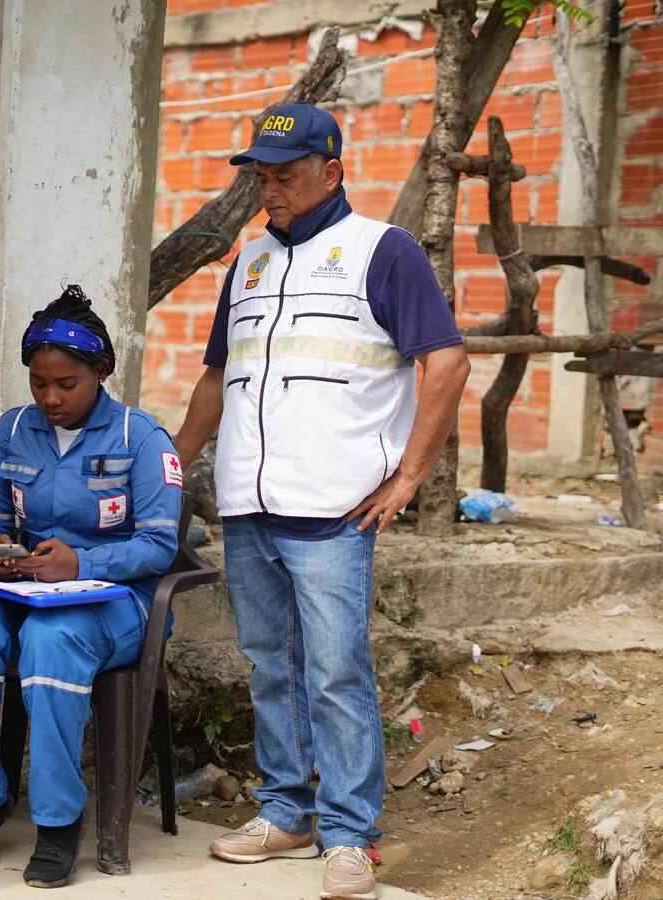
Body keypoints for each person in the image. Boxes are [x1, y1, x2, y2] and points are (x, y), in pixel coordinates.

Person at [172, 104, 471, 900]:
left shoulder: (384, 252)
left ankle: (348, 833)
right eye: (262, 175)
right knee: (271, 666)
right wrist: (173, 463)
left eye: (286, 174)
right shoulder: (251, 260)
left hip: (336, 509)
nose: (269, 189)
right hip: (249, 503)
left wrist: (409, 478)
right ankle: (286, 811)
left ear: (332, 172)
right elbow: (214, 378)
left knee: (336, 670)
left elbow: (445, 365)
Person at [0, 285, 183, 888]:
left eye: (66, 384)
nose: (50, 398)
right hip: (26, 592)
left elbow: (159, 546)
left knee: (53, 641)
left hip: (119, 605)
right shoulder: (14, 431)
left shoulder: (140, 439)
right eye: (39, 383)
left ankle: (58, 821)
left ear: (101, 372)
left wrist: (82, 565)